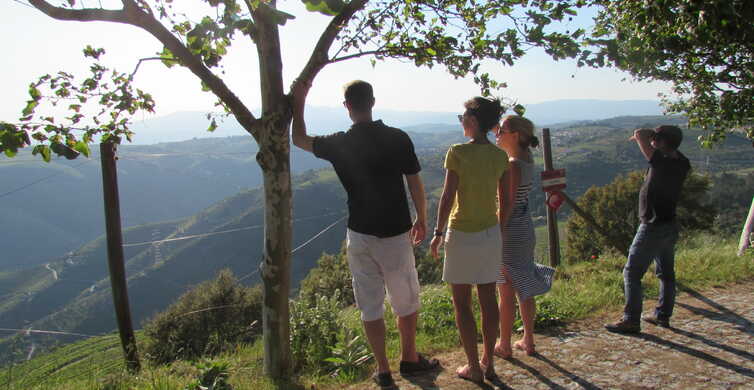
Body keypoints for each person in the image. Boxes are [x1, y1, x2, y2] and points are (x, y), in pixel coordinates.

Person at [292, 79, 439, 388]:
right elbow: (414, 182)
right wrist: (422, 217)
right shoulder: (398, 138)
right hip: (396, 233)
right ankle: (410, 359)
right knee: (406, 300)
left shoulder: (339, 143)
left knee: (369, 304)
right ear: (373, 101)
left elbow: (299, 139)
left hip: (359, 234)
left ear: (347, 106)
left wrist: (299, 100)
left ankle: (383, 369)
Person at [429, 97, 509, 383]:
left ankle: (473, 367)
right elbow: (506, 202)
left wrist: (438, 234)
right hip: (490, 233)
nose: (461, 122)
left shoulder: (458, 152)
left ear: (473, 122)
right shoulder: (500, 156)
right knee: (488, 298)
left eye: (462, 118)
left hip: (461, 233)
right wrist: (497, 232)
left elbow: (448, 197)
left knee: (462, 302)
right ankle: (489, 363)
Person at [605, 125, 691, 334]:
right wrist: (655, 137)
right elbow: (662, 148)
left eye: (656, 139)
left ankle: (631, 320)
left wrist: (643, 136)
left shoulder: (661, 162)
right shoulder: (682, 162)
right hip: (669, 224)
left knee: (632, 273)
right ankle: (662, 315)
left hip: (652, 226)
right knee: (666, 273)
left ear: (661, 142)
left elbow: (643, 137)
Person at [493, 115, 555, 358]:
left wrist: (496, 234)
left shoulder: (512, 165)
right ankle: (528, 339)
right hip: (524, 227)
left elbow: (506, 206)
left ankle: (504, 344)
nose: (497, 133)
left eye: (502, 130)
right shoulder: (526, 159)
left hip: (509, 232)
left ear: (516, 135)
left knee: (505, 291)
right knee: (524, 286)